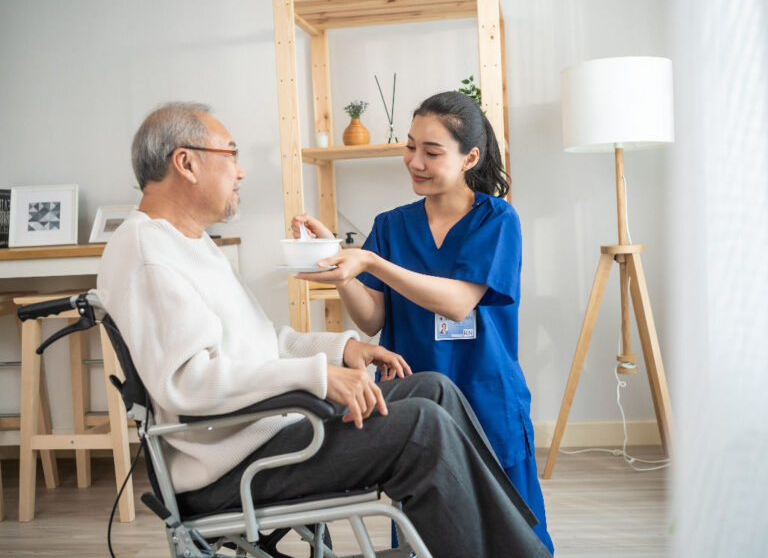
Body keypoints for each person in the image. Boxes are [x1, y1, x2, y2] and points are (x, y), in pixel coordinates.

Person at [96, 101, 551, 558]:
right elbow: (187, 382)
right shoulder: (148, 251)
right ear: (187, 163)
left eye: (430, 152)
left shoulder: (192, 245)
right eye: (231, 154)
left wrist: (345, 350)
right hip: (233, 460)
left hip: (266, 430)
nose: (241, 172)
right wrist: (318, 376)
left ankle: (515, 550)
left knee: (434, 390)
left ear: (468, 158)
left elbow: (266, 342)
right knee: (422, 428)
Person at [293, 91, 554, 553]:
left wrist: (372, 261)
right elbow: (371, 319)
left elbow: (458, 304)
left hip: (485, 395)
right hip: (415, 401)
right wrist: (338, 268)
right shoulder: (393, 225)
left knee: (509, 534)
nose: (415, 161)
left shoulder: (496, 220)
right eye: (411, 146)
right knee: (425, 535)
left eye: (432, 152)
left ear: (470, 157)